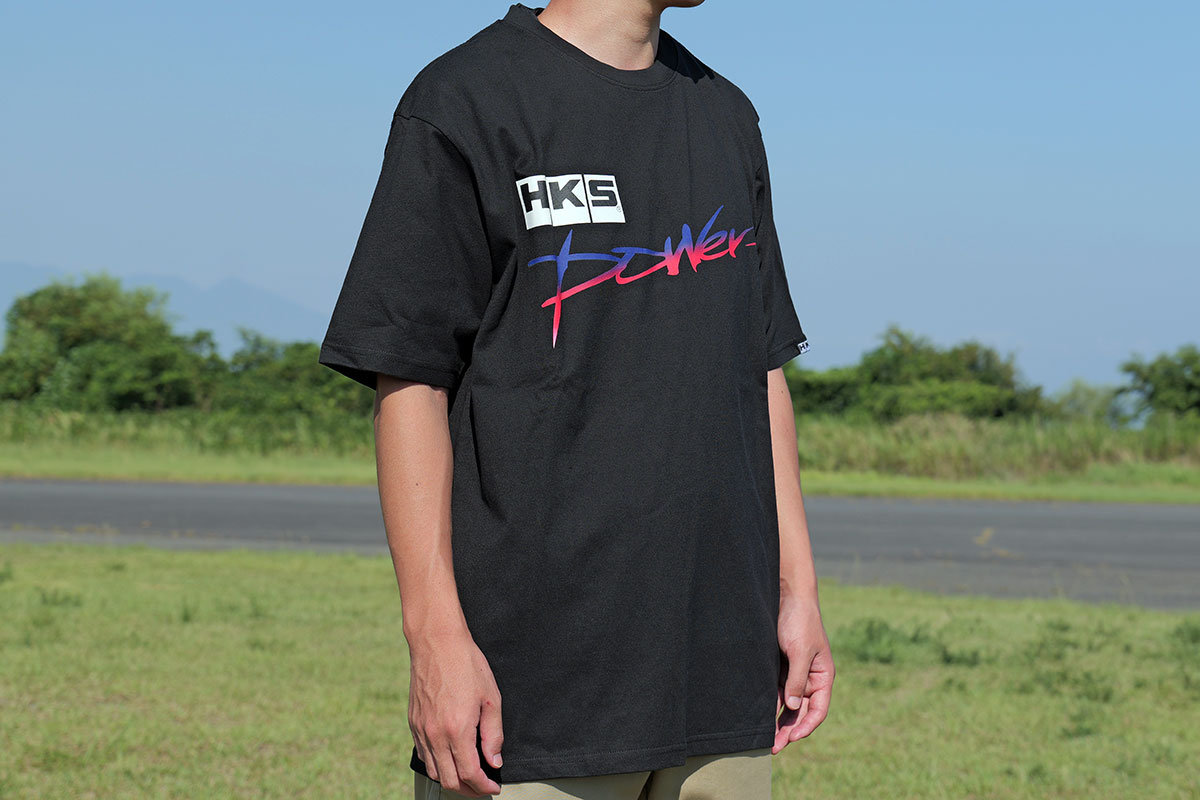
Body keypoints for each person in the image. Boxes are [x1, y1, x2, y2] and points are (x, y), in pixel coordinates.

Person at [318, 1, 834, 797]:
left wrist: (797, 591)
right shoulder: (465, 100)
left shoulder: (726, 115)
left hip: (721, 680)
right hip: (532, 697)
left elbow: (760, 370)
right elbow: (410, 378)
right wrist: (433, 637)